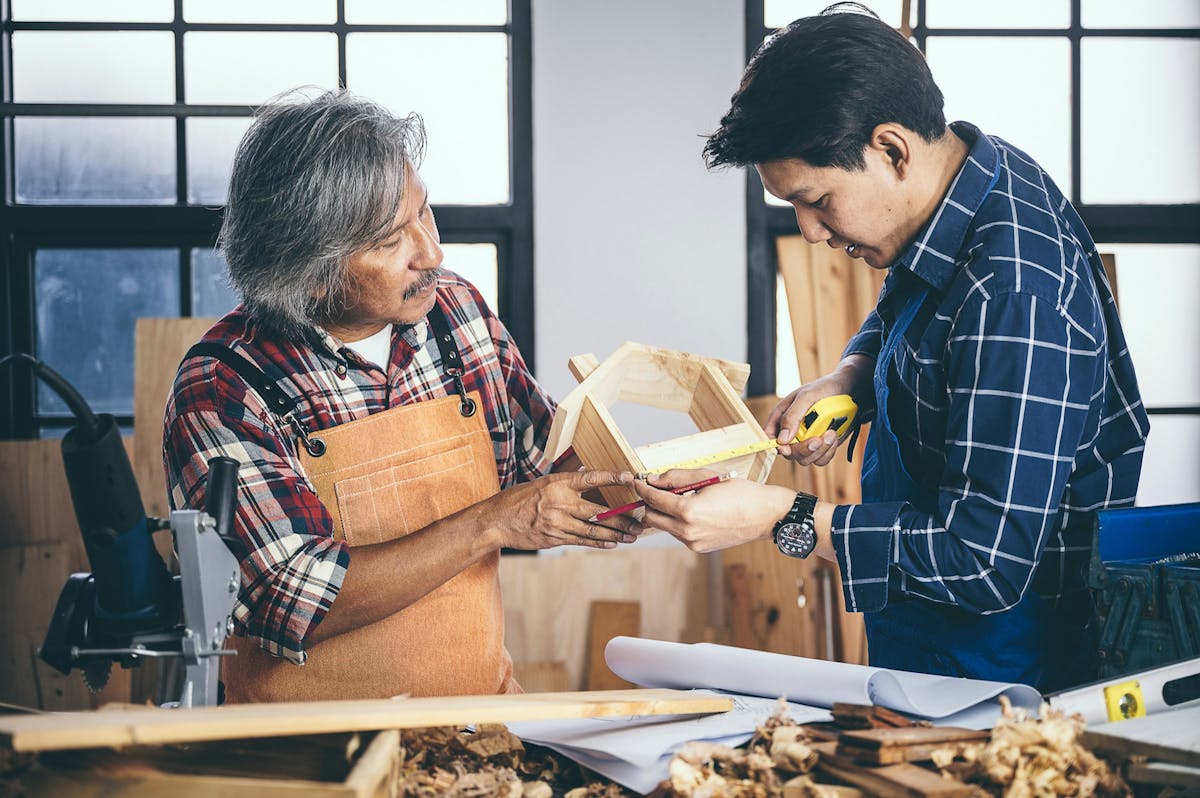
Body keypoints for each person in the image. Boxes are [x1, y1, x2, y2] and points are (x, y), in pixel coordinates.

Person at [631, 5, 1149, 691]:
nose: (811, 233)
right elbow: (914, 303)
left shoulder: (1014, 289)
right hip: (925, 643)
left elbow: (986, 560)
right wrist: (853, 376)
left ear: (892, 150)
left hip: (1010, 674)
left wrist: (777, 518)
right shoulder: (965, 186)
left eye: (817, 200)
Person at [164, 90, 643, 703]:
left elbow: (539, 463)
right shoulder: (223, 388)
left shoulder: (456, 311)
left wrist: (639, 483)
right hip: (308, 757)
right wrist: (491, 523)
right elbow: (293, 600)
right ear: (309, 274)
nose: (433, 253)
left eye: (426, 213)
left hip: (475, 725)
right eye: (392, 241)